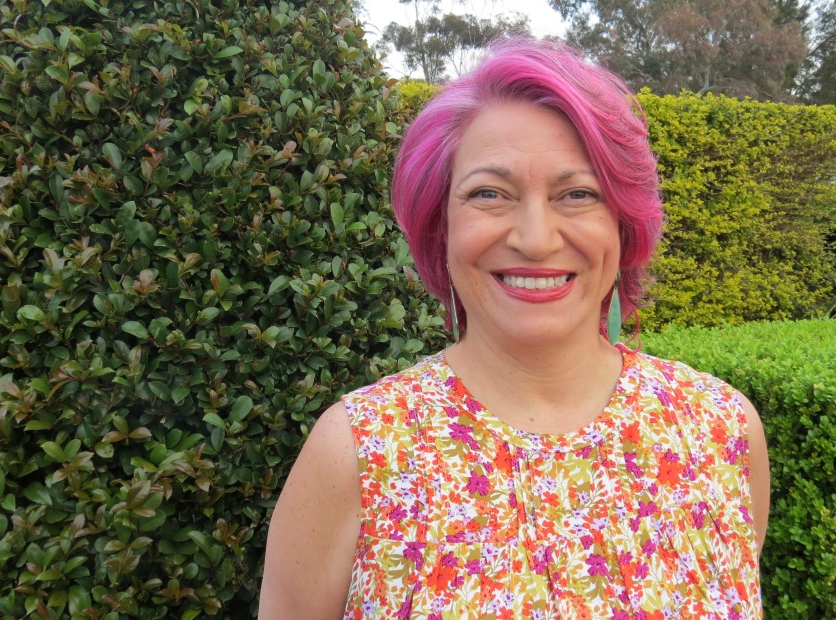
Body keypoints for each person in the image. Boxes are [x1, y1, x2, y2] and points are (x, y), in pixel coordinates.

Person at [259, 37, 770, 619]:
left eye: (577, 194)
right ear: (439, 226)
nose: (535, 238)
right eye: (489, 194)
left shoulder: (721, 433)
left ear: (624, 225)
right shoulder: (354, 454)